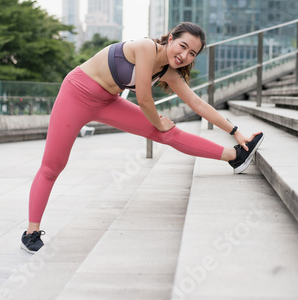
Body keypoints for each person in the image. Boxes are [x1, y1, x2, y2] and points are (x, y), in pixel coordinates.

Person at [21, 22, 264, 254]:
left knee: (170, 134)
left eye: (192, 54)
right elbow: (145, 99)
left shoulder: (169, 71)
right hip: (76, 94)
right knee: (53, 166)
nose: (185, 56)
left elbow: (197, 103)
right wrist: (158, 122)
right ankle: (30, 233)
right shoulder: (146, 47)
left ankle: (235, 156)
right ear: (171, 39)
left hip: (107, 101)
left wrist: (235, 132)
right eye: (182, 46)